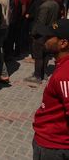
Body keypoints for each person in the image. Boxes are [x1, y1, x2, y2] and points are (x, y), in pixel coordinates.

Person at [31, 19, 69, 160]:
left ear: (63, 43)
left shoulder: (65, 74)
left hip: (53, 147)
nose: (44, 39)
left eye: (49, 37)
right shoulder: (62, 66)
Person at [24, 0, 60, 84]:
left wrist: (34, 33)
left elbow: (41, 22)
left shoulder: (45, 6)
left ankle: (37, 76)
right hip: (50, 33)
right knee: (45, 55)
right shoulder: (55, 4)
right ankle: (43, 73)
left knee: (39, 56)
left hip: (41, 34)